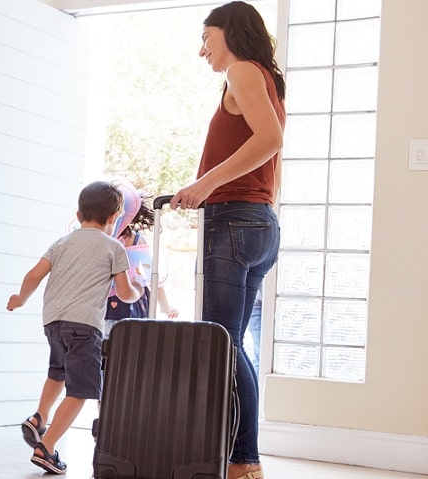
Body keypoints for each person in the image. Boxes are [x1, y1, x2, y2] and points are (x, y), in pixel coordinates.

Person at [169, 2, 285, 478]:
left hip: (235, 220)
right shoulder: (263, 77)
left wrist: (204, 185)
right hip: (257, 223)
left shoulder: (242, 70)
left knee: (221, 343)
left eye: (207, 39)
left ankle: (244, 462)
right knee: (231, 344)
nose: (203, 51)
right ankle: (242, 461)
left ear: (230, 33)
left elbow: (269, 139)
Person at [7, 181, 141, 475]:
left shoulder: (62, 242)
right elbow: (123, 290)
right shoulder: (114, 247)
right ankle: (47, 446)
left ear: (78, 214)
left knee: (58, 372)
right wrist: (138, 292)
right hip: (84, 326)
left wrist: (20, 298)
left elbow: (34, 274)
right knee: (80, 390)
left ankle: (39, 417)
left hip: (53, 322)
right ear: (114, 217)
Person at [104, 181, 179, 333]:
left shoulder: (128, 240)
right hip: (120, 303)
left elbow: (151, 275)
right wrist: (165, 306)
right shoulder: (127, 239)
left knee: (110, 348)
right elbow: (152, 276)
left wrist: (165, 306)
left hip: (123, 302)